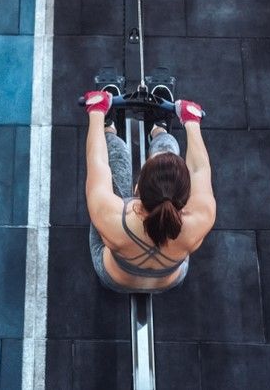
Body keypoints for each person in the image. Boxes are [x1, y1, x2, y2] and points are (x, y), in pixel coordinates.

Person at [82, 84, 216, 293]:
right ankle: (159, 129)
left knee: (116, 162)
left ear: (138, 189)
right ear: (186, 197)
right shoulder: (201, 218)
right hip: (168, 280)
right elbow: (200, 170)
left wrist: (97, 112)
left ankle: (109, 128)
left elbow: (97, 161)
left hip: (115, 278)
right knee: (167, 153)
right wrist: (192, 122)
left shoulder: (112, 217)